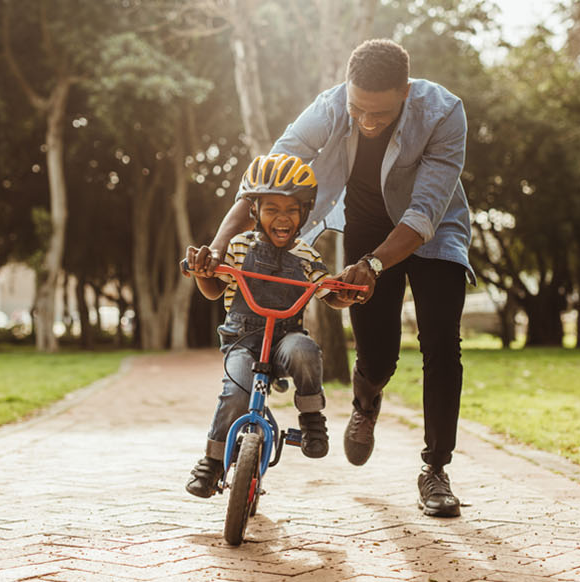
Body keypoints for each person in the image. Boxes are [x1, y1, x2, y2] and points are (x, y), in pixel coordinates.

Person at [192, 39, 473, 517]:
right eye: (358, 108)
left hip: (434, 229)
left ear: (405, 91)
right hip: (367, 224)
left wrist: (376, 266)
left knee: (441, 345)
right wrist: (218, 247)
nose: (366, 121)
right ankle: (366, 402)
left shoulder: (444, 113)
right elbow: (265, 179)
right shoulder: (330, 106)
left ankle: (435, 469)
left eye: (379, 113)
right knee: (378, 355)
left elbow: (424, 211)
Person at [183, 154, 360, 499]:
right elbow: (214, 289)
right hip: (242, 341)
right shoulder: (237, 247)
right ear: (254, 212)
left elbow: (328, 292)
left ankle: (311, 419)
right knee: (235, 394)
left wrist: (346, 294)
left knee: (305, 351)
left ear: (305, 213)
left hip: (285, 339)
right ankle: (212, 461)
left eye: (292, 210)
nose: (282, 218)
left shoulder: (308, 256)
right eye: (271, 209)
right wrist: (204, 274)